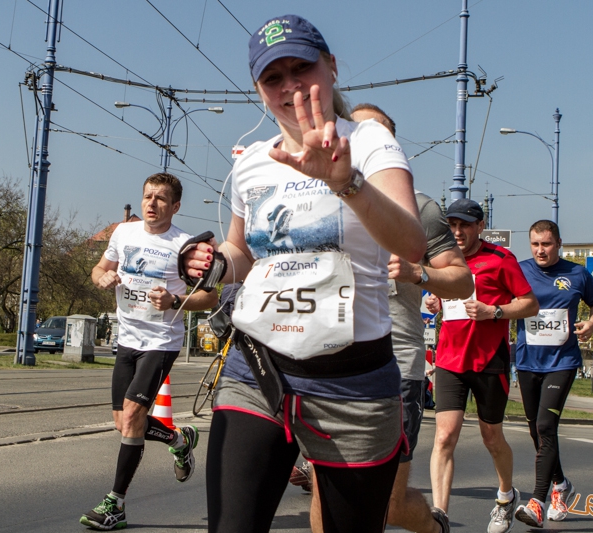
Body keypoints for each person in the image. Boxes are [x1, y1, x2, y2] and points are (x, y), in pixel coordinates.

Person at [183, 15, 428, 533]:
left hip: (353, 382)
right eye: (274, 77)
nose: (290, 85)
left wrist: (347, 183)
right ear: (259, 90)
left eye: (303, 67)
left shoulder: (369, 142)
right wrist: (215, 264)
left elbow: (411, 244)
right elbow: (243, 250)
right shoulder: (251, 161)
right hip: (258, 369)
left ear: (331, 67)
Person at [301, 104, 474, 533]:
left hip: (395, 363)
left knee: (389, 503)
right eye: (354, 129)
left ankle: (434, 528)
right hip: (328, 360)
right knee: (327, 488)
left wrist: (421, 273)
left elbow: (462, 280)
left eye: (375, 133)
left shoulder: (420, 207)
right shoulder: (313, 197)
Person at [81, 173, 219, 531]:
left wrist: (176, 300)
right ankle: (179, 439)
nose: (151, 204)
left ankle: (117, 504)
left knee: (131, 418)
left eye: (160, 198)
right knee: (123, 422)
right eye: (147, 196)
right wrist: (102, 278)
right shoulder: (124, 233)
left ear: (175, 206)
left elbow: (210, 296)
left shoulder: (185, 245)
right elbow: (100, 268)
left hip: (160, 341)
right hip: (126, 339)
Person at [425, 198, 538, 533]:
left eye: (465, 225)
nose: (458, 232)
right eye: (453, 225)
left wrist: (495, 312)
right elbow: (438, 297)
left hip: (490, 359)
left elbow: (530, 304)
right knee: (444, 436)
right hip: (449, 359)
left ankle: (505, 495)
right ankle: (440, 517)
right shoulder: (441, 259)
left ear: (480, 226)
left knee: (492, 437)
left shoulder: (501, 259)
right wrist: (434, 300)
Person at [513, 220, 593, 528]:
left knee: (545, 424)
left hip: (562, 361)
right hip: (528, 361)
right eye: (535, 244)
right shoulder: (520, 270)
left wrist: (592, 324)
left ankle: (537, 502)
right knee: (535, 431)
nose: (541, 250)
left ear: (559, 243)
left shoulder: (577, 273)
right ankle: (561, 484)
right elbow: (494, 296)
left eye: (547, 244)